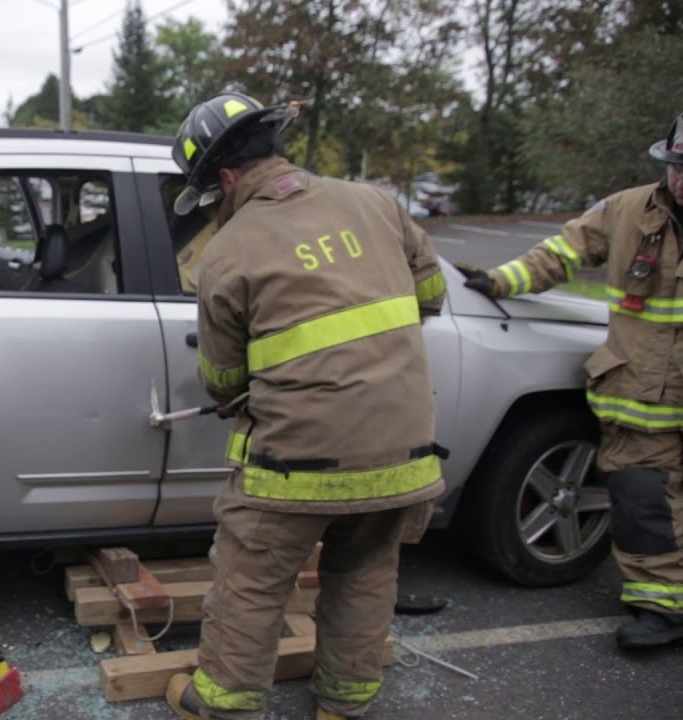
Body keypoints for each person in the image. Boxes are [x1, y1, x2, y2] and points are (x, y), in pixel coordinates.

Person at [164, 91, 448, 720]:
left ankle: (225, 702)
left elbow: (221, 377)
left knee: (251, 579)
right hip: (403, 454)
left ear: (227, 178)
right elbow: (430, 294)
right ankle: (344, 703)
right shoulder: (375, 203)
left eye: (213, 194)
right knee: (366, 573)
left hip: (295, 464)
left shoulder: (228, 252)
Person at [459, 111, 683, 651]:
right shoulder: (628, 210)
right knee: (643, 503)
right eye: (679, 165)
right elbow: (562, 253)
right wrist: (498, 282)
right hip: (641, 399)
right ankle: (661, 607)